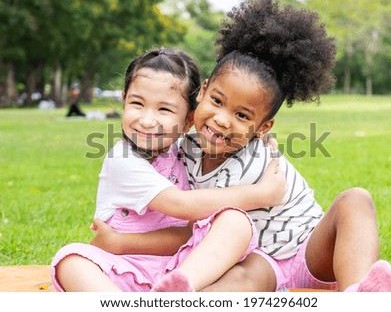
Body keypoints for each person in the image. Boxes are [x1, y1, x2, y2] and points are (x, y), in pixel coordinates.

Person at [94, 0, 391, 292]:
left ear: (262, 127)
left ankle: (359, 291)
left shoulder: (258, 158)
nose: (222, 120)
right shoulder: (181, 150)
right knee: (242, 278)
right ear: (201, 93)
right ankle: (181, 294)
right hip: (261, 261)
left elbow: (192, 209)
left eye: (242, 115)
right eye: (216, 100)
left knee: (356, 199)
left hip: (310, 249)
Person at [50, 47, 286, 292]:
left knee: (236, 221)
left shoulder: (190, 154)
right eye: (137, 104)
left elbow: (189, 233)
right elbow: (180, 204)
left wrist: (260, 141)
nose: (147, 120)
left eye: (164, 110)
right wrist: (262, 194)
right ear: (123, 99)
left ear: (188, 120)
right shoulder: (122, 159)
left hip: (188, 268)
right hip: (124, 267)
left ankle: (177, 291)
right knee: (71, 260)